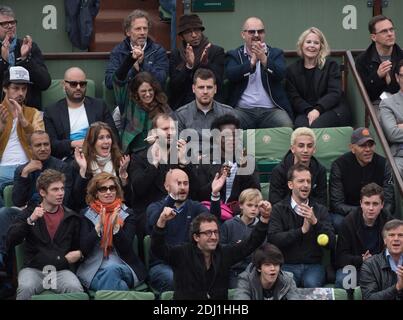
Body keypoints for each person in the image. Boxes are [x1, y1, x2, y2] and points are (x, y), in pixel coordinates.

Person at [151, 208, 270, 300]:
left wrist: (264, 219)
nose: (213, 237)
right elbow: (158, 249)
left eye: (215, 232)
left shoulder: (224, 253)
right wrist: (161, 221)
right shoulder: (182, 253)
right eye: (208, 233)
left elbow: (250, 244)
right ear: (196, 237)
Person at [6, 169, 83, 300]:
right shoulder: (28, 213)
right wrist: (30, 220)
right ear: (42, 192)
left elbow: (79, 246)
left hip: (60, 270)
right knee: (25, 288)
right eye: (55, 189)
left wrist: (80, 253)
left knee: (75, 289)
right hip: (33, 269)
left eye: (62, 189)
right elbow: (11, 240)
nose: (61, 193)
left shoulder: (71, 217)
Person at [146, 168, 222, 293]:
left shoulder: (195, 207)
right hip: (163, 265)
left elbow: (213, 221)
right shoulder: (154, 207)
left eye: (185, 183)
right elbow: (154, 222)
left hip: (190, 263)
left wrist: (214, 195)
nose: (182, 187)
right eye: (178, 183)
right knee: (177, 279)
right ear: (166, 186)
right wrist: (171, 199)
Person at [128, 114, 195, 241]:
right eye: (165, 129)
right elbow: (138, 189)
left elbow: (197, 191)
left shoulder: (182, 154)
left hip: (181, 208)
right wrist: (154, 164)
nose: (170, 133)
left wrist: (184, 163)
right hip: (150, 211)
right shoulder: (139, 157)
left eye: (173, 129)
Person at [267, 164, 335, 288]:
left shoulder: (320, 210)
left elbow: (331, 242)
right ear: (290, 185)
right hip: (287, 264)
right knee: (287, 286)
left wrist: (315, 222)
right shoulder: (278, 209)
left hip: (313, 266)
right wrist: (301, 231)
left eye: (308, 181)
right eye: (301, 181)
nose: (305, 185)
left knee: (311, 283)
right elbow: (273, 239)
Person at [77, 172, 146, 291]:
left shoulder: (127, 214)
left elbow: (127, 248)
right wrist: (98, 227)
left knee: (112, 269)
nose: (108, 192)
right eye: (103, 189)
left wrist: (116, 228)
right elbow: (83, 248)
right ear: (96, 193)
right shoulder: (85, 215)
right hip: (94, 269)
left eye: (112, 188)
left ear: (116, 191)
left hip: (124, 266)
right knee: (120, 286)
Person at [225, 16, 293, 129]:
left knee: (286, 125)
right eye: (252, 32)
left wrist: (264, 60)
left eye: (260, 31)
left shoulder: (276, 53)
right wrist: (251, 64)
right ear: (243, 34)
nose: (256, 35)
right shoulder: (235, 54)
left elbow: (281, 75)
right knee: (228, 127)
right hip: (242, 110)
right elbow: (231, 75)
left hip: (271, 111)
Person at [329, 127, 395, 232]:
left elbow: (389, 201)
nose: (368, 149)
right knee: (338, 222)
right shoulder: (339, 165)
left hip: (377, 213)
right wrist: (364, 212)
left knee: (393, 225)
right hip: (349, 214)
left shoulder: (384, 164)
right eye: (362, 145)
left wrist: (374, 213)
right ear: (352, 148)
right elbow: (337, 204)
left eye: (370, 145)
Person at [43, 67, 117, 160]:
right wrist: (73, 144)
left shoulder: (99, 106)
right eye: (73, 84)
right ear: (64, 84)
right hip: (69, 159)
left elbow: (113, 135)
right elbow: (51, 144)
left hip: (98, 156)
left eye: (82, 84)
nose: (78, 87)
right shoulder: (52, 111)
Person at [285, 27, 350, 128]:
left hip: (330, 109)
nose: (312, 45)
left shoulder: (331, 66)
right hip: (305, 111)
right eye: (308, 42)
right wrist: (309, 111)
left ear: (321, 47)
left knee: (316, 125)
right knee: (300, 128)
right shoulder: (292, 70)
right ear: (302, 45)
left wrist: (318, 110)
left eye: (316, 43)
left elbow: (334, 93)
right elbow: (294, 98)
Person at [335, 183, 392, 288]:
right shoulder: (348, 222)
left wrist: (376, 261)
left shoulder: (388, 221)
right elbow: (340, 258)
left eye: (375, 204)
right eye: (367, 203)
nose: (371, 208)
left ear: (382, 205)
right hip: (355, 267)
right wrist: (361, 260)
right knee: (342, 280)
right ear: (361, 203)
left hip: (380, 266)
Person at [0, 66, 44, 204]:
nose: (20, 93)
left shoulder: (34, 113)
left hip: (28, 166)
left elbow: (42, 145)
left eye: (24, 89)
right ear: (5, 88)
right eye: (16, 88)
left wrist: (24, 123)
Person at [196, 114, 260, 206]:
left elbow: (255, 193)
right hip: (213, 211)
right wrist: (219, 177)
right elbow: (199, 195)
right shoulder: (205, 162)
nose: (231, 139)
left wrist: (245, 171)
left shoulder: (247, 160)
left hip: (239, 213)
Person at [169, 14, 225, 110]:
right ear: (182, 36)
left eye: (197, 30)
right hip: (183, 104)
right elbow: (174, 86)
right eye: (188, 32)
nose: (194, 35)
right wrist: (188, 66)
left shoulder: (215, 51)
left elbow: (219, 82)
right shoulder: (176, 54)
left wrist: (205, 64)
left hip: (210, 104)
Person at [0, 5, 51, 108]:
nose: (10, 26)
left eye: (13, 22)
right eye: (5, 24)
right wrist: (3, 62)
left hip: (29, 110)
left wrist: (25, 59)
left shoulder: (29, 47)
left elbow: (45, 83)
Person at [175, 68, 235, 153]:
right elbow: (179, 148)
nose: (205, 91)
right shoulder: (181, 115)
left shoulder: (228, 113)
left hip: (220, 161)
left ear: (215, 89)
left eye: (209, 87)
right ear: (193, 89)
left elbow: (235, 145)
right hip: (192, 162)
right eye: (201, 87)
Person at [72, 122, 130, 211]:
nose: (106, 141)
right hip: (91, 214)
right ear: (92, 142)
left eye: (108, 137)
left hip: (118, 211)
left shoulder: (120, 161)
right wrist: (83, 170)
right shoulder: (80, 164)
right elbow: (77, 200)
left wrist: (123, 177)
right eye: (101, 138)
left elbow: (130, 200)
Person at [105, 9, 168, 90]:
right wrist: (132, 68)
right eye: (138, 29)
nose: (142, 32)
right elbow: (109, 83)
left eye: (145, 28)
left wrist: (142, 64)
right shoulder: (118, 51)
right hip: (126, 100)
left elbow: (161, 80)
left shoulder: (158, 51)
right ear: (128, 32)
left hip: (152, 99)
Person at [220, 188, 272, 288]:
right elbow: (221, 249)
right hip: (234, 272)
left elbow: (264, 250)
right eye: (249, 205)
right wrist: (235, 246)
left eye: (256, 206)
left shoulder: (262, 227)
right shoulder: (229, 225)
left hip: (254, 272)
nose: (253, 209)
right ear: (241, 205)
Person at [114, 71, 172, 153]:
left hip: (157, 153)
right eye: (143, 91)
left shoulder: (163, 106)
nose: (148, 94)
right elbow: (117, 81)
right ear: (136, 92)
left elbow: (174, 131)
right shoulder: (128, 105)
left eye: (150, 90)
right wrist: (132, 60)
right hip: (131, 154)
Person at [269, 127, 327, 206]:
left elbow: (322, 202)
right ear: (293, 148)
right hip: (285, 215)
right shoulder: (279, 171)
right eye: (301, 146)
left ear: (314, 149)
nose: (305, 150)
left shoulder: (320, 170)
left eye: (309, 146)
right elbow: (275, 202)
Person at [356, 15, 403, 104]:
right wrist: (377, 76)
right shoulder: (363, 60)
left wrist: (392, 82)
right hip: (376, 105)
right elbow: (364, 95)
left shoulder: (401, 56)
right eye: (384, 31)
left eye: (391, 29)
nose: (390, 34)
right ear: (374, 37)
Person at [234, 243, 300, 300]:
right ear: (259, 268)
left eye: (276, 264)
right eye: (267, 265)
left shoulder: (288, 280)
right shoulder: (245, 280)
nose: (273, 268)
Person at [360, 219, 403, 300]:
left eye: (401, 235)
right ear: (385, 240)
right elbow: (369, 298)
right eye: (391, 235)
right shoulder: (370, 265)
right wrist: (397, 287)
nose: (396, 238)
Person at [379, 59, 403, 177]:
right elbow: (392, 133)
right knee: (394, 171)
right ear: (397, 78)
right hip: (401, 156)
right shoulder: (388, 103)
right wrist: (397, 129)